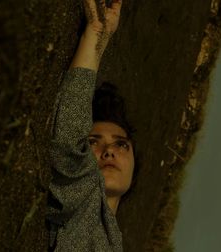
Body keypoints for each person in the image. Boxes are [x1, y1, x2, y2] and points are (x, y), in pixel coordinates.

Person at [46, 0, 135, 251]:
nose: (109, 152)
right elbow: (68, 137)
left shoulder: (112, 238)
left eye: (121, 144)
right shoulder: (84, 202)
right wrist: (96, 34)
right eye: (93, 142)